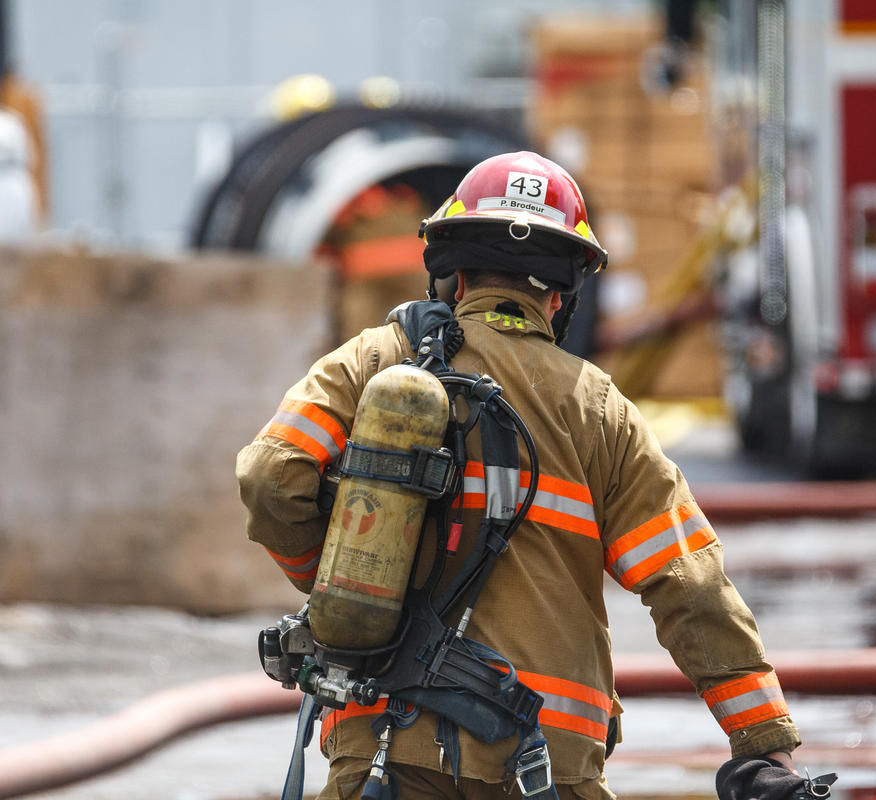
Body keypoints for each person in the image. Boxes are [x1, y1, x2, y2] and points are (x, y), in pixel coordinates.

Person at [236, 151, 801, 800]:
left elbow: (271, 476)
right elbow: (689, 584)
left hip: (384, 753)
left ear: (455, 270)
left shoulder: (375, 359)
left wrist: (345, 589)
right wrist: (766, 745)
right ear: (562, 291)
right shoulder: (599, 410)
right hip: (543, 769)